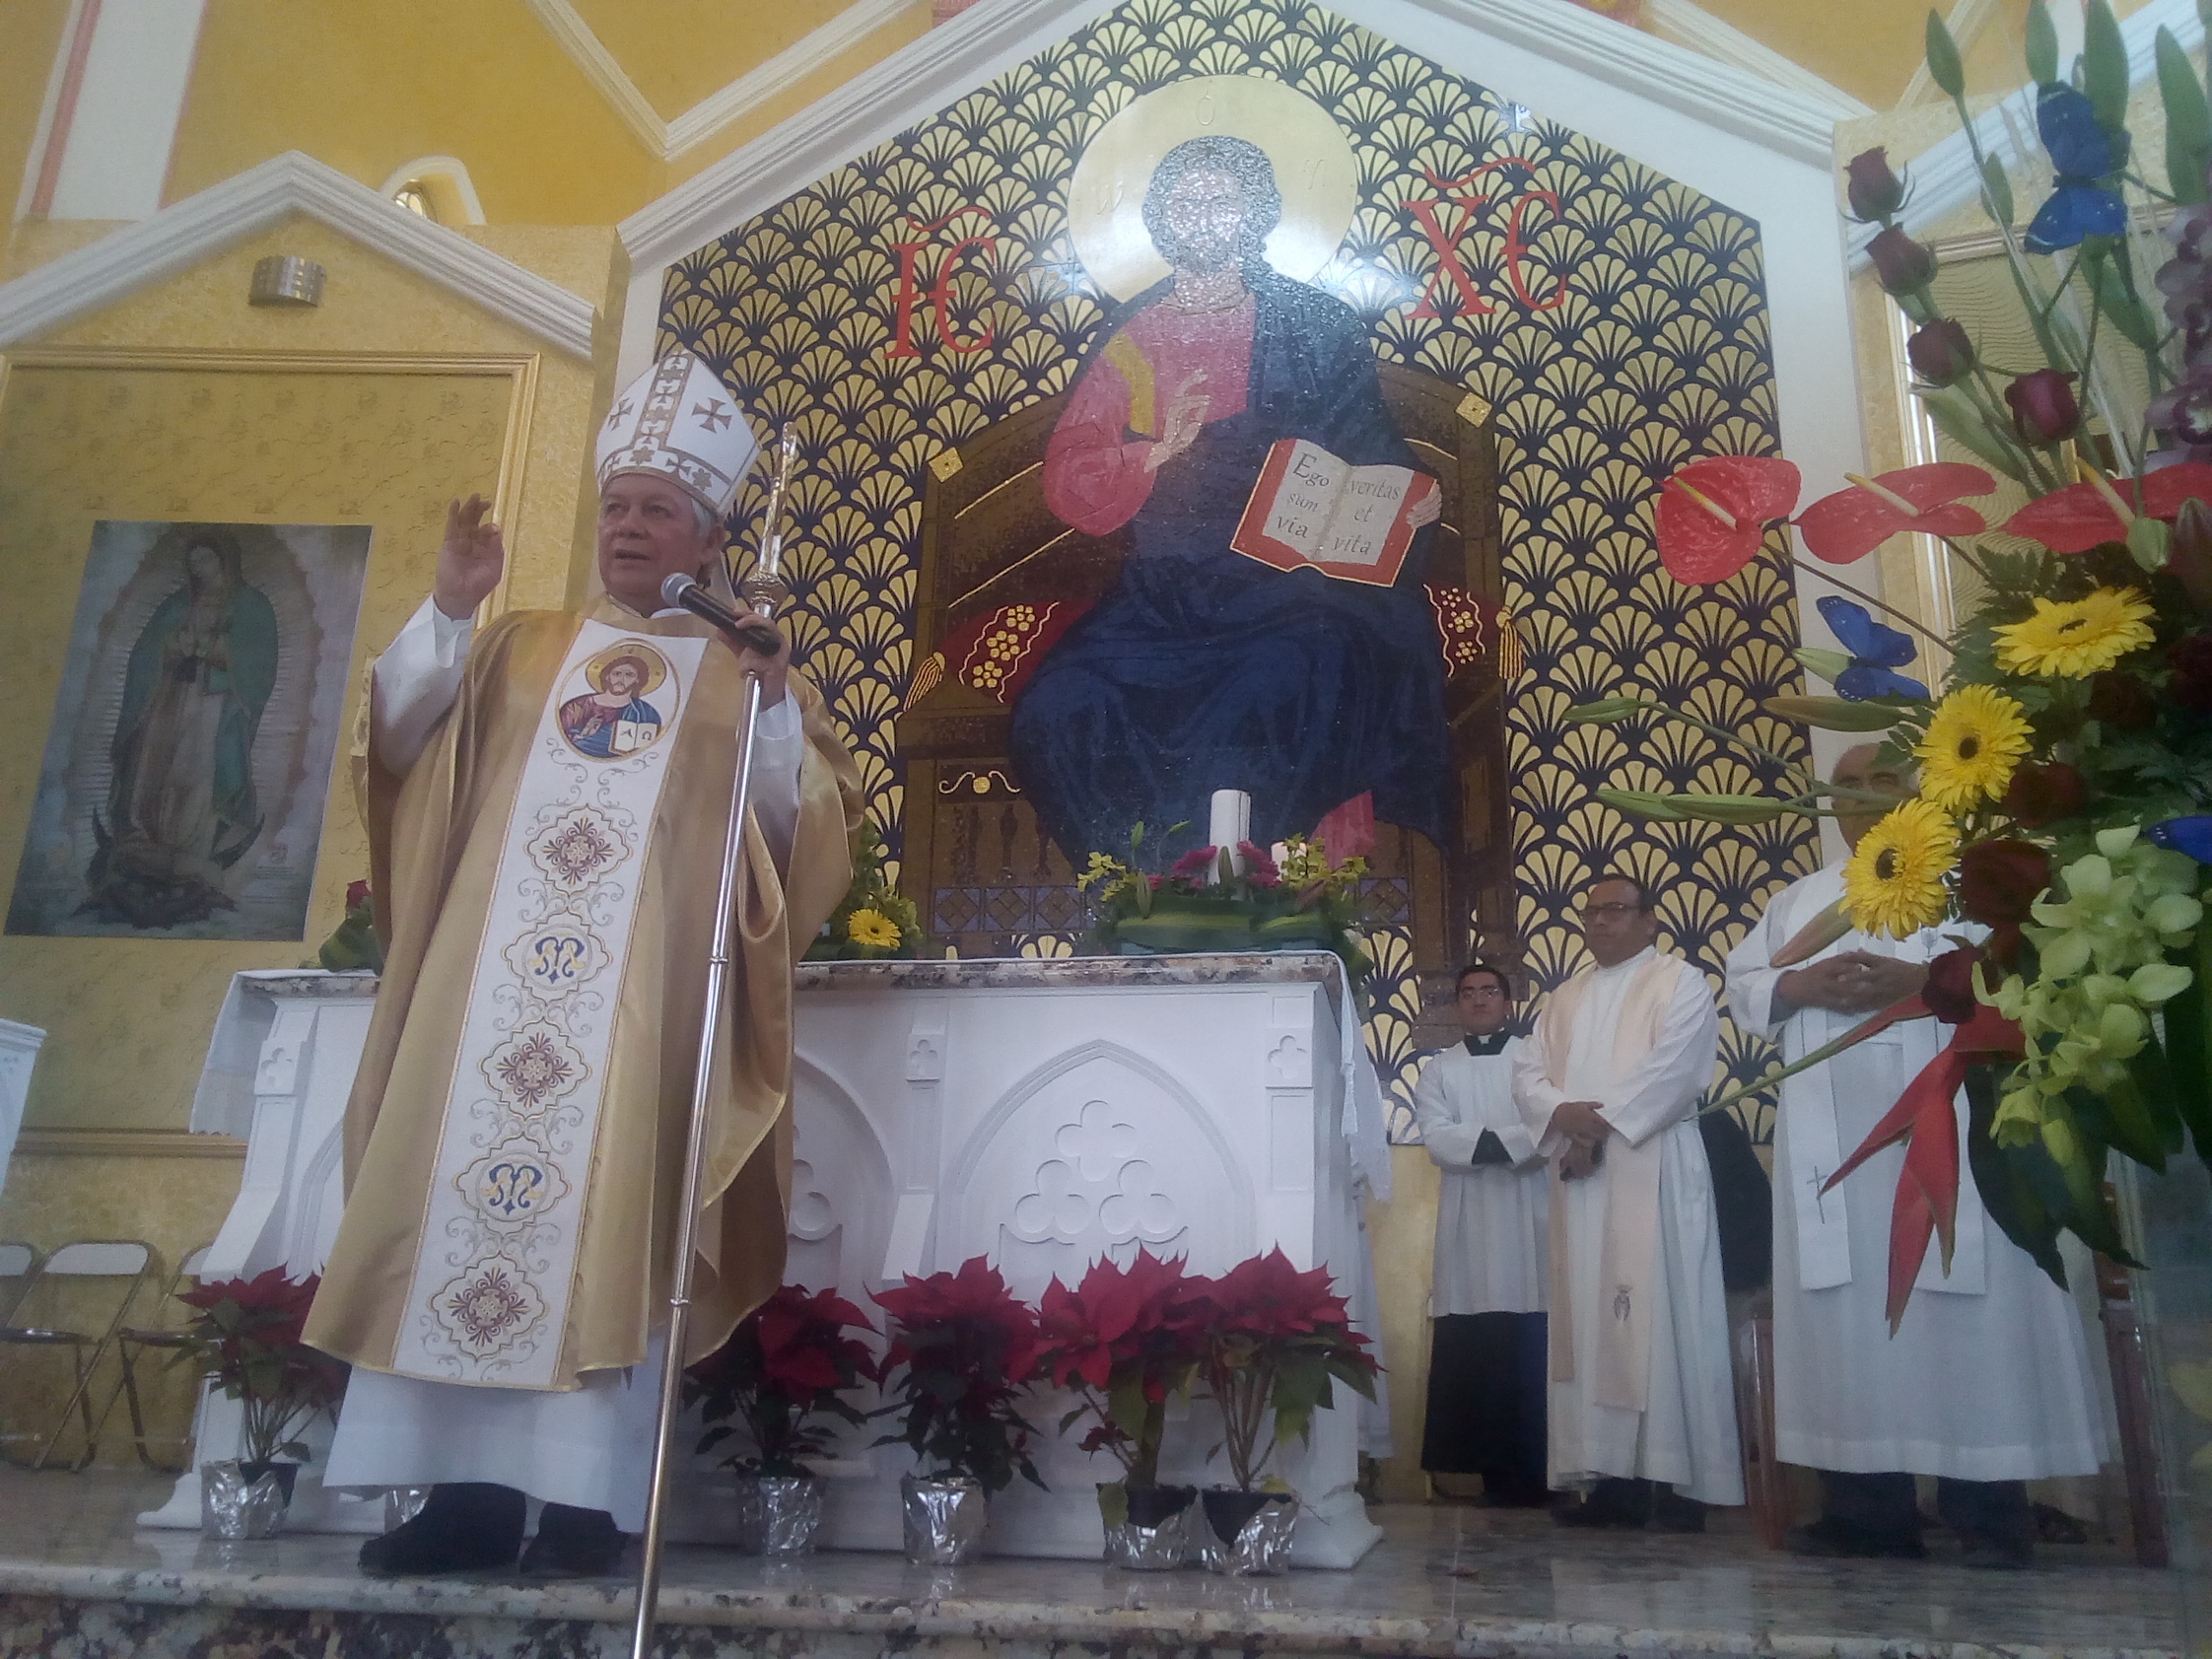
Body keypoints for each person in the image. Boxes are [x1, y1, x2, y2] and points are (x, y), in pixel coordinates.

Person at [303, 348, 864, 1579]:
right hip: (483, 1008)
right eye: (615, 506)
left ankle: (580, 1506)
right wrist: (450, 607)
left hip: (638, 1017)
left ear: (710, 539)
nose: (627, 526)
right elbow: (399, 748)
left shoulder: (742, 671)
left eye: (657, 509)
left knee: (610, 1217)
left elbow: (788, 840)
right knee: (454, 1206)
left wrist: (774, 708)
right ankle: (459, 1500)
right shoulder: (515, 647)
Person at [1007, 133, 1451, 858]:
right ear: (1160, 220)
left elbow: (1370, 447)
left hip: (1295, 588)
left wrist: (1413, 499)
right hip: (1165, 600)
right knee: (1057, 705)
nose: (1204, 216)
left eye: (1223, 199)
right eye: (1186, 202)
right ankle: (1139, 890)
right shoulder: (1134, 338)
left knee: (1285, 677)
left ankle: (1247, 884)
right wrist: (1156, 451)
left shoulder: (1318, 326)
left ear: (1257, 214)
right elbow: (1069, 479)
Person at [1724, 744, 2109, 1568]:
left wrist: (1915, 979)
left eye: (1882, 781)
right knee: (1849, 1323)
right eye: (1849, 784)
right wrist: (1799, 987)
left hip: (1955, 1142)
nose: (1860, 797)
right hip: (1835, 1158)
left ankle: (1990, 1512)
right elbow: (1746, 983)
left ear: (1920, 793)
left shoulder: (1975, 882)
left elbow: (2027, 985)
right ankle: (1869, 1514)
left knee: (1968, 1318)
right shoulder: (1798, 902)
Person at [1514, 874, 1743, 1529]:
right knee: (1591, 1321)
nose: (1600, 922)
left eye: (1615, 910)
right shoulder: (1563, 998)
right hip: (1582, 1179)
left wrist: (1595, 1129)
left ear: (1650, 920)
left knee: (1666, 1318)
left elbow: (1672, 1070)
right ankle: (1611, 1483)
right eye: (1590, 913)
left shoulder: (1680, 981)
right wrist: (1564, 1117)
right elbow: (1527, 1074)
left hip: (1655, 1167)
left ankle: (1677, 1484)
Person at [85, 532, 277, 927]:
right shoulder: (177, 604)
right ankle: (143, 840)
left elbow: (258, 661)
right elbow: (145, 652)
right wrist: (172, 646)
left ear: (225, 562)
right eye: (193, 563)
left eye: (205, 561)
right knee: (153, 769)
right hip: (167, 700)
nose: (198, 570)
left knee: (198, 772)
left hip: (213, 705)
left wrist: (216, 650)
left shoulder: (251, 605)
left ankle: (192, 847)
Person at [1414, 960, 1549, 1508]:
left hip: (1531, 1210)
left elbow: (1550, 1123)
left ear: (1508, 999)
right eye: (1467, 992)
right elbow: (1435, 1137)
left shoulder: (1536, 1060)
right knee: (1477, 1339)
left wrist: (1494, 1145)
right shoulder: (1438, 1070)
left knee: (1533, 1333)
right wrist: (1505, 1144)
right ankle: (1488, 1472)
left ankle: (1539, 1474)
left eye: (1489, 990)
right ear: (1456, 1005)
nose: (1478, 1000)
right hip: (1469, 1218)